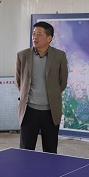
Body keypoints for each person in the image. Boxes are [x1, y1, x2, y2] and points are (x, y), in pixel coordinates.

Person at [15, 21, 68, 154]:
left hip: (51, 112)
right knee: (26, 151)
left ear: (49, 38)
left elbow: (62, 82)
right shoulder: (22, 55)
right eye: (34, 34)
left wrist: (52, 94)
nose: (35, 37)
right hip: (28, 111)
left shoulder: (59, 56)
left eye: (39, 34)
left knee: (50, 151)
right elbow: (19, 81)